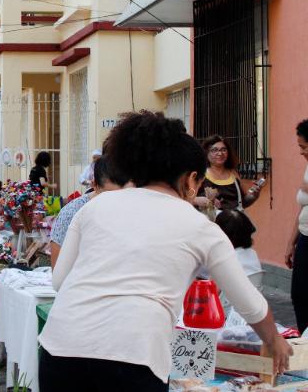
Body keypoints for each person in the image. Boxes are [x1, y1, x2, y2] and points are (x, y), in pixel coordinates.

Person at [39, 111, 291, 391]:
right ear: (191, 179)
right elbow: (249, 302)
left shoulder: (94, 207)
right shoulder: (200, 226)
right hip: (134, 355)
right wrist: (274, 341)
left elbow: (61, 281)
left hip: (60, 349)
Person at [49, 157, 126, 267]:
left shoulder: (128, 211)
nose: (116, 201)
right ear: (95, 185)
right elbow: (57, 269)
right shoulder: (72, 212)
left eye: (122, 195)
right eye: (109, 195)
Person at [194, 135, 263, 212]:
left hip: (233, 222)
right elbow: (185, 198)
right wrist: (198, 200)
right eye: (214, 150)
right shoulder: (200, 174)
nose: (220, 153)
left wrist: (254, 195)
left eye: (223, 150)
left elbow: (242, 203)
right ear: (206, 153)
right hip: (210, 222)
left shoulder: (233, 174)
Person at [286, 119, 308, 332]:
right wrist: (291, 243)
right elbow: (302, 208)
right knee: (300, 294)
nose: (301, 152)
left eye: (304, 147)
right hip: (305, 237)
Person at [216, 209, 264, 291]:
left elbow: (212, 294)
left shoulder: (224, 260)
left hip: (225, 302)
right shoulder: (253, 254)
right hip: (250, 301)